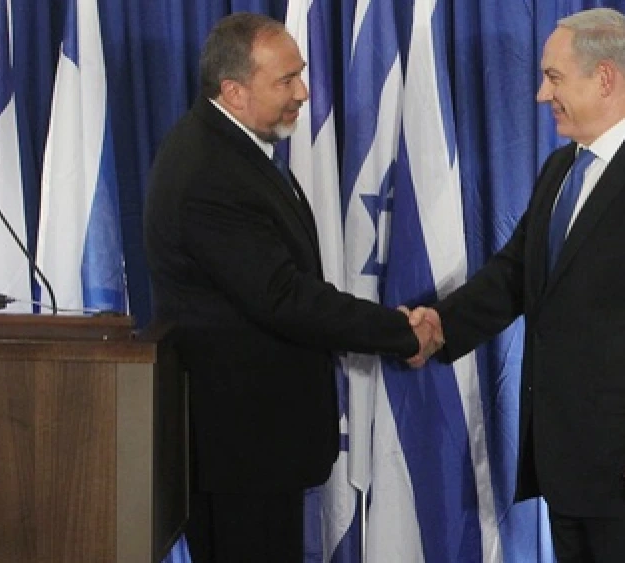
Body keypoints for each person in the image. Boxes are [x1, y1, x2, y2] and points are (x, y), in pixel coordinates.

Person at [409, 8, 625, 562]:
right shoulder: (563, 168)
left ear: (604, 78)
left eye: (554, 77)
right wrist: (441, 326)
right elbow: (516, 273)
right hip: (571, 465)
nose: (540, 94)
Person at [143, 13, 440, 562]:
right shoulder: (210, 171)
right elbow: (283, 296)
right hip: (241, 449)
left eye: (300, 75)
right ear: (233, 91)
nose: (304, 93)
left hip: (255, 444)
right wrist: (399, 331)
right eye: (286, 81)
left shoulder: (232, 150)